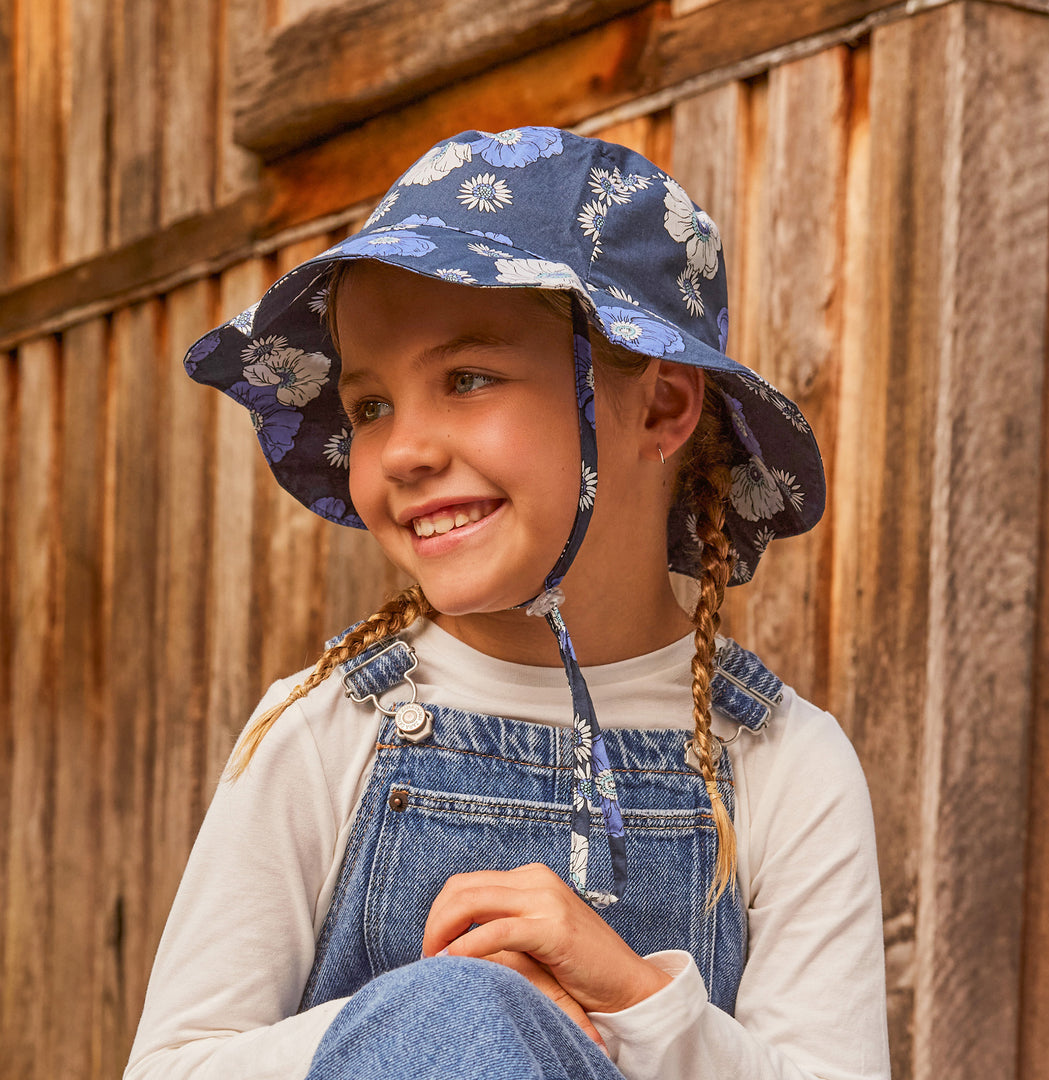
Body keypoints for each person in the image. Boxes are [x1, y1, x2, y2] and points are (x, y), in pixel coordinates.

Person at [124, 126, 890, 1080]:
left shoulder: (784, 769)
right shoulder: (325, 729)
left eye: (468, 379)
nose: (402, 451)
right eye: (369, 407)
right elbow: (174, 1066)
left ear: (659, 408)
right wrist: (432, 1024)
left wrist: (639, 1004)